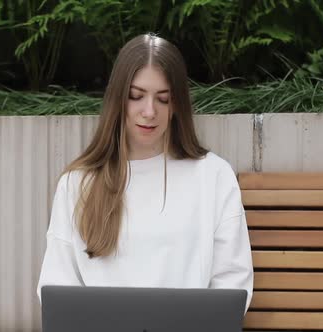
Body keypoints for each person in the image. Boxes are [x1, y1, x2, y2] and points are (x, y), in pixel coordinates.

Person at [37, 33, 253, 313]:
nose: (149, 111)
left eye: (163, 99)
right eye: (136, 96)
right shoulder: (79, 183)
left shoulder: (214, 176)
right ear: (118, 100)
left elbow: (233, 283)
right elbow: (57, 285)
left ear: (177, 105)